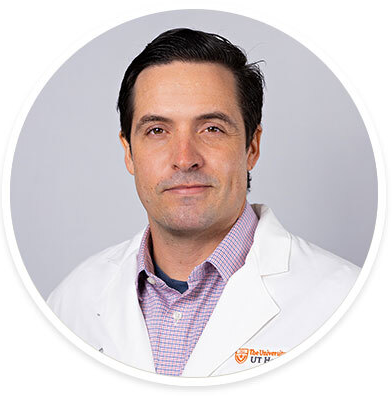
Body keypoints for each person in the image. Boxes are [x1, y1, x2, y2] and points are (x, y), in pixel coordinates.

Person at [47, 28, 360, 377]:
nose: (184, 158)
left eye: (211, 128)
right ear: (129, 152)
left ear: (251, 147)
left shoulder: (350, 304)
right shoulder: (72, 302)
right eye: (157, 131)